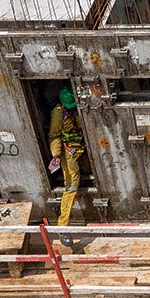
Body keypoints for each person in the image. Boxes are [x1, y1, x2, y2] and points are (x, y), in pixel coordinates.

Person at [48, 86, 86, 225]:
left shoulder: (79, 108)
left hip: (82, 145)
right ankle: (63, 224)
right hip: (69, 150)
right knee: (71, 184)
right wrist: (56, 155)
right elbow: (54, 136)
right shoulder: (58, 114)